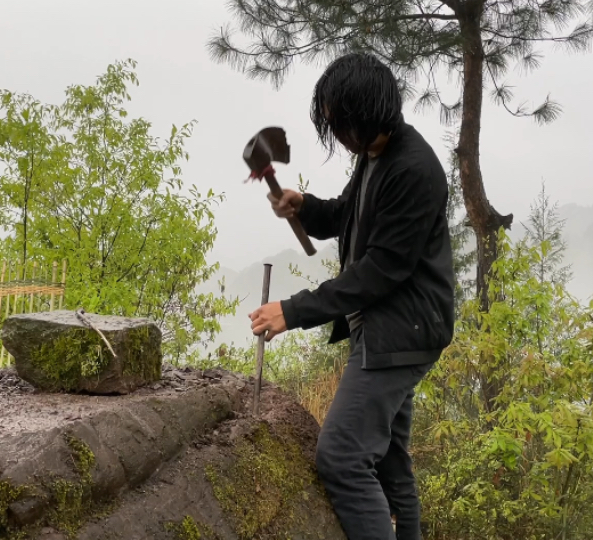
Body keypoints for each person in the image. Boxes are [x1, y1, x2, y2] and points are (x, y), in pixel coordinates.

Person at [248, 52, 455, 540]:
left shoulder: (415, 169)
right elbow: (348, 214)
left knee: (341, 456)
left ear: (366, 117)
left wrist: (293, 311)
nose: (336, 133)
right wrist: (305, 207)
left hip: (401, 331)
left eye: (340, 122)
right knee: (388, 462)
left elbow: (379, 271)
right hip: (389, 326)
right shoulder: (374, 155)